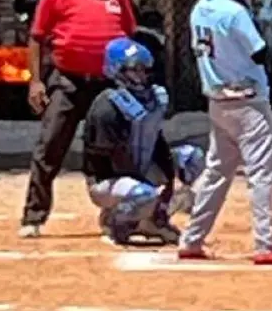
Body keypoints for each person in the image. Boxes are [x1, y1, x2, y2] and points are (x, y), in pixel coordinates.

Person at [178, 0, 272, 265]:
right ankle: (265, 243)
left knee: (218, 172)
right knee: (260, 173)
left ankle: (192, 238)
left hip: (218, 100)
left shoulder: (202, 6)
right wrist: (258, 21)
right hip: (248, 100)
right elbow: (260, 53)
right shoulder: (235, 12)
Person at [19, 0, 136, 238]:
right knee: (51, 144)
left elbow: (128, 34)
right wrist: (36, 83)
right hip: (68, 80)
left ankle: (117, 214)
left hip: (107, 84)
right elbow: (37, 37)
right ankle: (34, 216)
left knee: (111, 150)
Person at [83, 37, 205, 246]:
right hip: (108, 180)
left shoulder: (152, 99)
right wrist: (148, 185)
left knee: (192, 158)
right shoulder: (107, 105)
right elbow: (111, 158)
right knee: (143, 194)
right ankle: (115, 221)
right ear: (117, 70)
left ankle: (155, 221)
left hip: (141, 168)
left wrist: (168, 183)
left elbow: (157, 141)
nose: (141, 76)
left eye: (143, 70)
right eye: (134, 70)